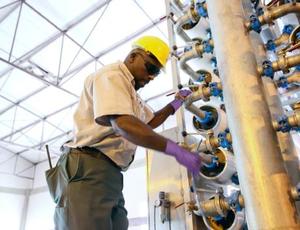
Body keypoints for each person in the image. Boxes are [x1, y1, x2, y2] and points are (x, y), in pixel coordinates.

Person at [46, 35, 205, 230]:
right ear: (132, 57)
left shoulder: (131, 94)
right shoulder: (112, 76)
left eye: (156, 73)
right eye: (151, 68)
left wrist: (176, 102)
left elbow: (150, 121)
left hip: (110, 175)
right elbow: (123, 124)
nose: (151, 77)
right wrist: (177, 151)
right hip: (87, 167)